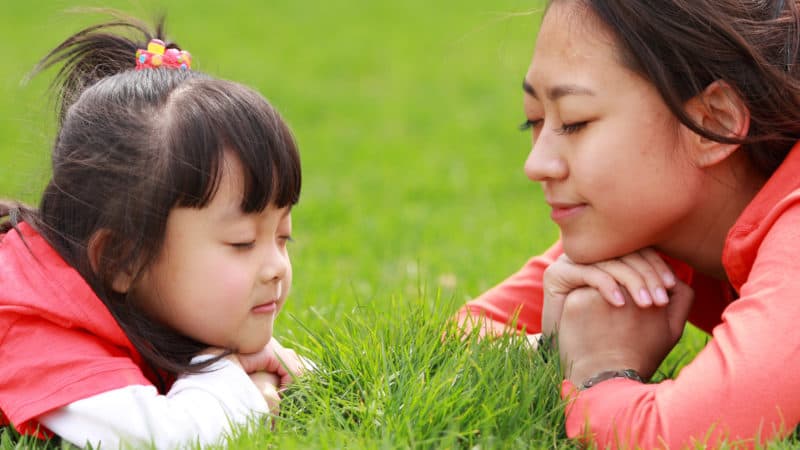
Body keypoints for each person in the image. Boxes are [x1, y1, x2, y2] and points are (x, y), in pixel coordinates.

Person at [455, 0, 800, 448]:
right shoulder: (655, 228)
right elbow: (464, 334)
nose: (535, 164)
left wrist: (601, 374)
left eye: (575, 122)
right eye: (534, 121)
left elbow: (690, 436)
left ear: (714, 122)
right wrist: (556, 346)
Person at [0, 16, 307, 449]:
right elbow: (163, 438)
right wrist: (230, 374)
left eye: (282, 237)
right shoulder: (33, 318)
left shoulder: (143, 297)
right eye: (242, 243)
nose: (276, 267)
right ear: (121, 260)